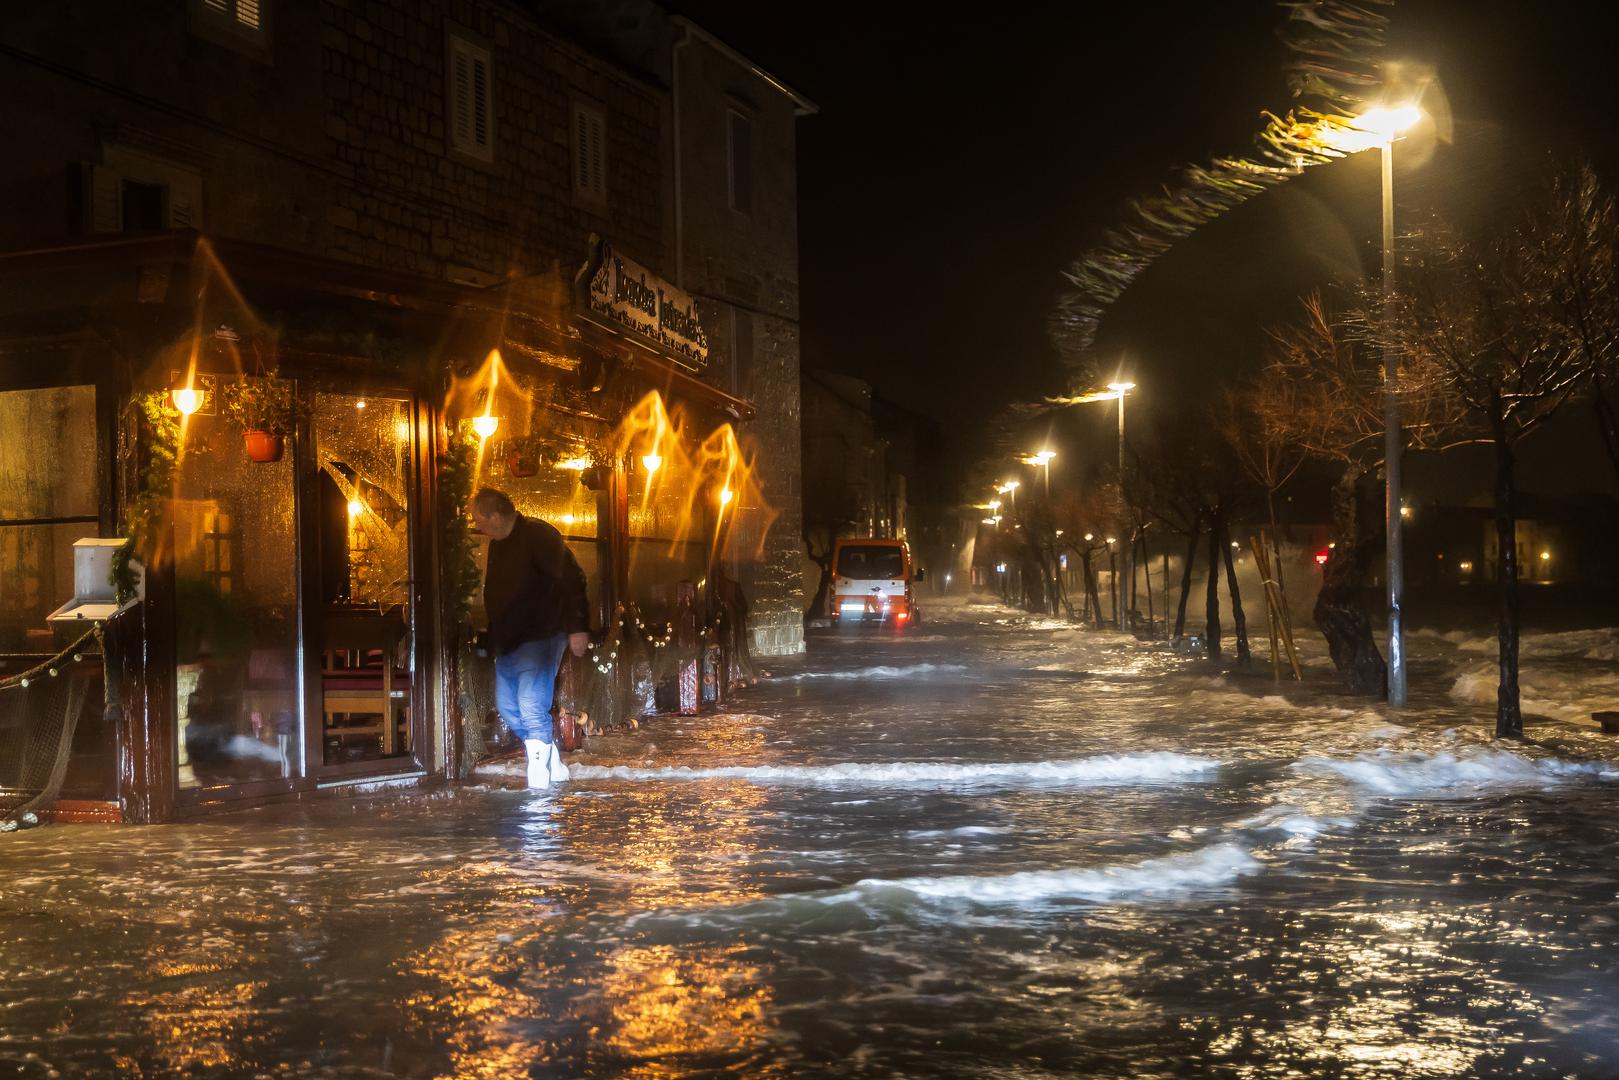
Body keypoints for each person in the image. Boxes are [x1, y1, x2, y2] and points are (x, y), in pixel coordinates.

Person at [470, 488, 590, 788]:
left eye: (478, 519)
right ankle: (551, 760)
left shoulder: (539, 536)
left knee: (530, 703)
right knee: (508, 705)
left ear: (495, 516)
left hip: (542, 632)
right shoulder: (498, 543)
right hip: (510, 638)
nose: (476, 526)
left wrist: (577, 626)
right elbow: (498, 593)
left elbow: (573, 577)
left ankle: (538, 778)